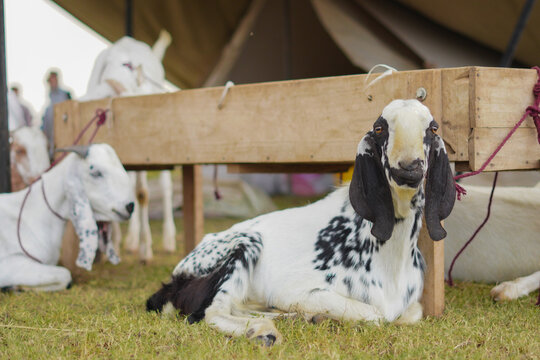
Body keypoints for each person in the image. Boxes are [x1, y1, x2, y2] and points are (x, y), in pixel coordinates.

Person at [42, 70, 71, 160]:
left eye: (53, 80)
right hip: (52, 144)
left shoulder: (65, 95)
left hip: (65, 141)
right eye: (50, 81)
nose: (52, 83)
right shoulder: (49, 101)